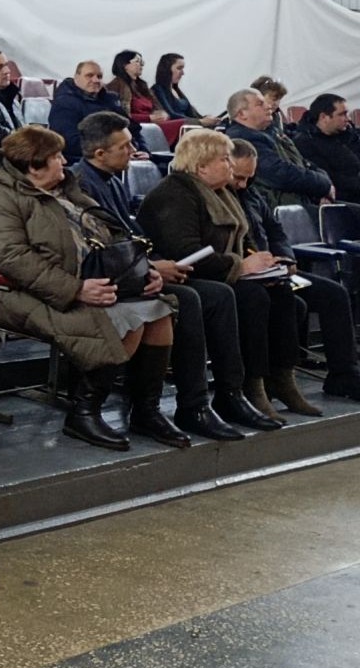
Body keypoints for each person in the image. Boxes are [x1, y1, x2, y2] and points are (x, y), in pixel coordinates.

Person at [0, 126, 177, 452]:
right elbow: (12, 259)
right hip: (22, 293)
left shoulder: (68, 190)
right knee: (129, 317)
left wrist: (141, 269)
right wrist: (75, 289)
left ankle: (146, 410)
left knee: (159, 312)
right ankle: (84, 412)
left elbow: (113, 233)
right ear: (34, 166)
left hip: (86, 280)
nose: (65, 162)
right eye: (56, 157)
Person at [72, 112, 264, 437]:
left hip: (133, 271)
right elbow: (98, 247)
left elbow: (130, 236)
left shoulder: (112, 180)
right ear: (100, 153)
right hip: (107, 278)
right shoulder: (83, 184)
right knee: (190, 299)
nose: (134, 150)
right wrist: (152, 267)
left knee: (223, 295)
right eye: (124, 146)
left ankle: (229, 394)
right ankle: (187, 405)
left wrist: (156, 264)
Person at [139, 128, 316, 422]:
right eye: (224, 159)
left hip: (219, 271)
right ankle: (245, 386)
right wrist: (241, 266)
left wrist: (262, 262)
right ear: (201, 166)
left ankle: (281, 378)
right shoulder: (173, 194)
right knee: (252, 297)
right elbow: (186, 252)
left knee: (282, 290)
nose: (230, 165)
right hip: (186, 274)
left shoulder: (221, 192)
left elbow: (242, 238)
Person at [229, 138, 360, 401]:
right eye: (239, 177)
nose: (243, 184)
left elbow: (276, 231)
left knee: (333, 294)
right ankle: (266, 379)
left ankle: (343, 374)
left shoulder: (251, 194)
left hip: (272, 268)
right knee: (284, 300)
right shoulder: (218, 197)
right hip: (242, 271)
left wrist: (285, 258)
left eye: (249, 177)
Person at [223, 87, 333, 209]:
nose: (268, 106)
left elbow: (303, 162)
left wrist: (324, 183)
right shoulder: (244, 139)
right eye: (260, 104)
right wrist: (324, 186)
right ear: (242, 114)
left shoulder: (272, 133)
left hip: (300, 202)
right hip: (282, 209)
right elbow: (281, 174)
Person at [48, 60, 126, 161]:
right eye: (89, 75)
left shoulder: (110, 99)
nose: (96, 80)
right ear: (76, 77)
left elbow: (132, 128)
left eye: (99, 76)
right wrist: (111, 151)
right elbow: (69, 142)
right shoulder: (65, 103)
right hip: (84, 160)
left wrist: (140, 149)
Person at [294, 93, 360, 199]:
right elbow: (329, 179)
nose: (347, 118)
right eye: (342, 114)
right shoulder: (305, 143)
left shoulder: (348, 135)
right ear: (324, 117)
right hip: (343, 199)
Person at [110, 50, 171, 138]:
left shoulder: (142, 86)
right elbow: (120, 116)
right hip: (137, 128)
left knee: (186, 125)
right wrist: (149, 118)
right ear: (125, 65)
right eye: (137, 61)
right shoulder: (115, 86)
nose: (142, 65)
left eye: (142, 62)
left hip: (154, 125)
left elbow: (158, 108)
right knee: (184, 125)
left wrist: (163, 114)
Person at [153, 53, 222, 126]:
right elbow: (171, 115)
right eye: (179, 68)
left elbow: (192, 114)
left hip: (190, 127)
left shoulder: (176, 90)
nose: (182, 73)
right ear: (166, 69)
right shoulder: (157, 90)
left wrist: (206, 118)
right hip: (178, 129)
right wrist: (200, 121)